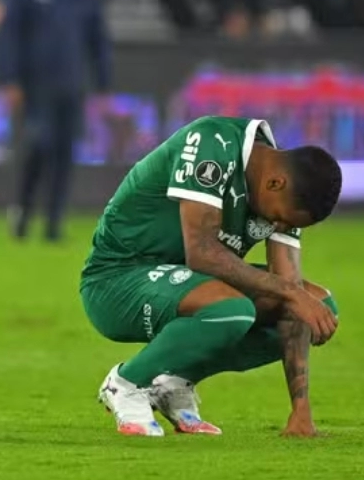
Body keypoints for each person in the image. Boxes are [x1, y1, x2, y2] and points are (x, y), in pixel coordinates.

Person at [80, 116, 342, 437]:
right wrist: (292, 294)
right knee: (234, 308)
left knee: (318, 305)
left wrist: (301, 412)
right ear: (275, 183)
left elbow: (290, 294)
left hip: (187, 286)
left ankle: (172, 382)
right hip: (116, 281)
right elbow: (201, 253)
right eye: (277, 219)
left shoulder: (284, 188)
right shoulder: (212, 144)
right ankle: (126, 383)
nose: (276, 227)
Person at [0, 0, 111, 242]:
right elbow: (9, 36)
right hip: (36, 87)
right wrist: (9, 79)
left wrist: (103, 83)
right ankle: (23, 210)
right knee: (38, 146)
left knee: (64, 154)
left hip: (72, 85)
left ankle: (54, 223)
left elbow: (98, 40)